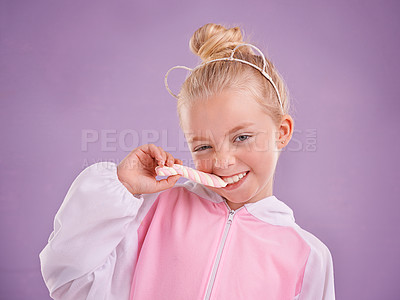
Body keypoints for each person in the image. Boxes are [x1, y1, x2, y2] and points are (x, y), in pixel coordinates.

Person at [39, 23, 335, 299]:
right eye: (204, 145)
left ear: (281, 133)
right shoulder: (154, 211)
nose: (222, 161)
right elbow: (70, 280)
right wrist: (123, 186)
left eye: (242, 137)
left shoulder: (308, 257)